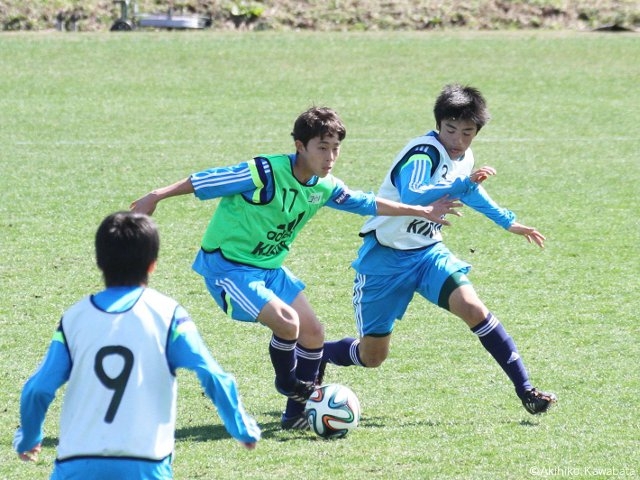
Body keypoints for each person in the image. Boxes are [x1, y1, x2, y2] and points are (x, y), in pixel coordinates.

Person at [130, 106, 461, 429]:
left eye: (335, 149)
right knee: (288, 324)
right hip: (228, 270)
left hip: (270, 270)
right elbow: (206, 180)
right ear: (300, 146)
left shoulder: (324, 186)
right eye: (322, 148)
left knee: (313, 332)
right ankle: (289, 384)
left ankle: (295, 414)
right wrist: (156, 196)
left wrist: (420, 210)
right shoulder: (264, 172)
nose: (330, 157)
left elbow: (367, 202)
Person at [321, 84, 557, 415]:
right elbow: (412, 193)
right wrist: (461, 184)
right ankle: (319, 354)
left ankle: (527, 390)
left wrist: (508, 222)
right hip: (385, 259)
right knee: (372, 357)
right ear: (438, 124)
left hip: (428, 254)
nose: (458, 140)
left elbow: (471, 193)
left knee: (474, 308)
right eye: (450, 129)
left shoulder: (465, 157)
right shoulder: (424, 153)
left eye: (467, 132)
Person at [14, 211, 260, 479]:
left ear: (99, 261)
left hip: (77, 463)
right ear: (152, 264)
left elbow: (37, 390)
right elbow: (212, 375)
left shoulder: (74, 318)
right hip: (146, 464)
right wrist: (241, 428)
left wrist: (29, 438)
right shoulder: (169, 316)